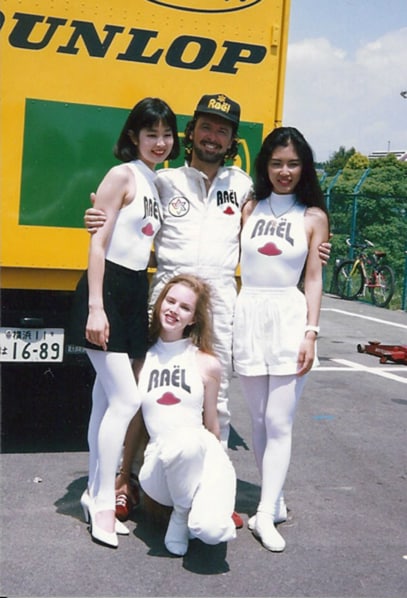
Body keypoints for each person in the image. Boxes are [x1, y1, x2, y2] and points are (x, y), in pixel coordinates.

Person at [84, 94, 331, 525]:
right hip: (168, 292)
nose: (212, 136)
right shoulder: (164, 181)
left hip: (219, 299)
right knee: (146, 390)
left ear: (232, 140)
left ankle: (214, 491)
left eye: (222, 130)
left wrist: (320, 247)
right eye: (206, 127)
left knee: (215, 394)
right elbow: (128, 217)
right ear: (192, 132)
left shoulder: (244, 188)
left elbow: (282, 224)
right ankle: (126, 482)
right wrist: (94, 216)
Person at [68, 97, 180, 548]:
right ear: (134, 136)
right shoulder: (123, 175)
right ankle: (101, 502)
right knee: (126, 399)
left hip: (135, 289)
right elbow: (98, 244)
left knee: (104, 400)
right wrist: (96, 307)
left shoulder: (156, 182)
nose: (160, 142)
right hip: (108, 289)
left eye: (167, 134)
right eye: (151, 133)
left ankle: (92, 492)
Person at [232, 126, 330, 552]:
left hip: (290, 318)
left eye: (292, 163)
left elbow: (314, 279)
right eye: (276, 163)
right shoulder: (249, 207)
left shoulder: (313, 217)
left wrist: (311, 332)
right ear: (265, 166)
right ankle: (275, 499)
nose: (284, 171)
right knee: (257, 420)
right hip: (249, 314)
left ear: (304, 167)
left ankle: (264, 513)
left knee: (278, 421)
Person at [137, 274, 236, 556]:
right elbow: (134, 425)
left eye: (184, 307)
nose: (174, 310)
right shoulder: (142, 360)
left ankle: (198, 509)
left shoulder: (207, 363)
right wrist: (123, 476)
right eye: (170, 301)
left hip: (200, 453)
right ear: (159, 303)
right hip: (158, 467)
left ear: (193, 318)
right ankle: (181, 513)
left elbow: (212, 426)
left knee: (212, 531)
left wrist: (219, 475)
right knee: (184, 440)